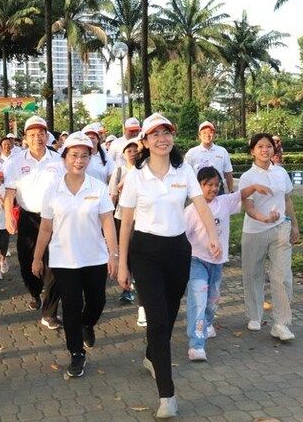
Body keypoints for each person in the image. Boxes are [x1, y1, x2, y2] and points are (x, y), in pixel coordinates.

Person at [117, 113, 221, 418]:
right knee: (158, 321)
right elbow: (126, 223)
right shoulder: (136, 176)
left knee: (169, 315)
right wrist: (121, 264)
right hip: (145, 252)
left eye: (167, 133)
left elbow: (201, 206)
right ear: (145, 142)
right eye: (156, 134)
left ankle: (152, 354)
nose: (162, 139)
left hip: (177, 251)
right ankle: (167, 395)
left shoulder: (184, 170)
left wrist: (213, 237)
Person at [32, 131, 118, 377]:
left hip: (95, 257)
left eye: (84, 156)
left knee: (97, 301)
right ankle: (76, 353)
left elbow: (108, 222)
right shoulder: (53, 189)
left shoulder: (98, 187)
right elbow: (45, 228)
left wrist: (113, 254)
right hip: (63, 259)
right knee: (71, 305)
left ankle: (87, 323)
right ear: (64, 158)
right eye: (73, 155)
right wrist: (37, 258)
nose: (79, 161)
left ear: (90, 159)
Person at [184, 166, 276, 361]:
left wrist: (255, 186)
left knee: (212, 301)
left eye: (216, 184)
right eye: (208, 185)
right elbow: (182, 239)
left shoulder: (224, 202)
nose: (213, 188)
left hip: (217, 263)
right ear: (199, 186)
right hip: (196, 262)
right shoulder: (191, 211)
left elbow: (241, 194)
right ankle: (196, 345)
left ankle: (207, 323)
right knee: (198, 302)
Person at [4, 115, 65, 329]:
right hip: (28, 219)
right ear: (25, 138)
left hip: (54, 218)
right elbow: (9, 193)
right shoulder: (15, 162)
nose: (37, 138)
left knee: (54, 265)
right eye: (32, 134)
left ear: (47, 136)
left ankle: (49, 312)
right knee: (27, 261)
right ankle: (34, 291)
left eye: (41, 134)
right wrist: (8, 216)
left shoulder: (59, 160)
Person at [239, 133, 300, 341]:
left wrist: (295, 225)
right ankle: (254, 315)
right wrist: (264, 219)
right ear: (252, 151)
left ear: (274, 149)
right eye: (260, 146)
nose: (265, 150)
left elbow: (287, 200)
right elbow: (248, 207)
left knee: (282, 276)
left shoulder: (281, 172)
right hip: (254, 231)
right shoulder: (247, 177)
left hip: (280, 228)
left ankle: (281, 323)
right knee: (252, 274)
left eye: (268, 146)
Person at [108, 137, 141, 309]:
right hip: (122, 216)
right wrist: (108, 219)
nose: (133, 153)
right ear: (123, 154)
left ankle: (139, 284)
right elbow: (113, 194)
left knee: (138, 252)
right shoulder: (119, 171)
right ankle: (126, 289)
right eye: (129, 151)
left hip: (141, 218)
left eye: (135, 150)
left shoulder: (144, 170)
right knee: (125, 251)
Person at [184, 121, 234, 194]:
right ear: (199, 135)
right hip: (198, 191)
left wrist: (231, 191)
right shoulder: (191, 153)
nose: (207, 135)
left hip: (218, 191)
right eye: (204, 132)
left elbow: (228, 173)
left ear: (214, 135)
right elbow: (185, 174)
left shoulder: (222, 151)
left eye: (210, 132)